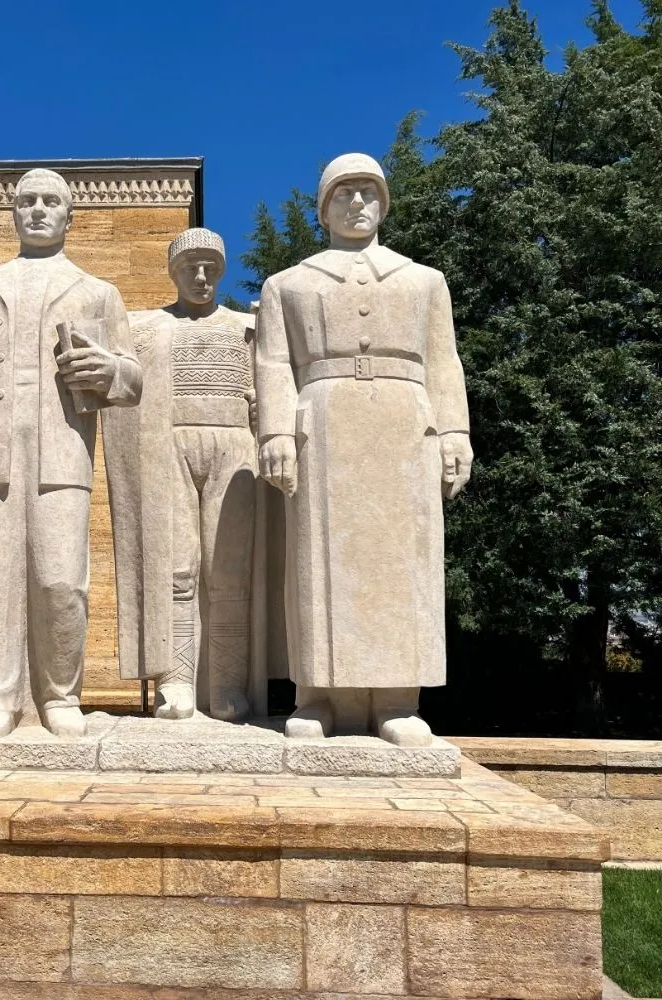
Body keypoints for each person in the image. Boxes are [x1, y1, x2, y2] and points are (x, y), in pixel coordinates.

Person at [255, 153, 472, 745]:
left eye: (368, 192)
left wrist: (456, 432)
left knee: (404, 562)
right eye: (344, 192)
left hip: (405, 423)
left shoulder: (423, 280)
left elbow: (444, 360)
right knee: (317, 559)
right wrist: (275, 433)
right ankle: (319, 696)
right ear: (324, 206)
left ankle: (398, 700)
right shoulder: (288, 284)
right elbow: (272, 363)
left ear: (383, 202)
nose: (357, 203)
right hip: (321, 424)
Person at [0, 168, 142, 740]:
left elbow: (133, 377)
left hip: (62, 447)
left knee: (60, 577)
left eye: (52, 201)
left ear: (70, 217)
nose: (39, 209)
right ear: (14, 213)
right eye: (28, 201)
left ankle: (60, 696)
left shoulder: (98, 292)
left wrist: (111, 371)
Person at [104, 228, 267, 721]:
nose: (201, 276)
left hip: (235, 447)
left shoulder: (248, 328)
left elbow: (268, 394)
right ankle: (175, 683)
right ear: (173, 271)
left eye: (210, 268)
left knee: (228, 571)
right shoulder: (146, 327)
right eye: (190, 267)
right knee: (177, 569)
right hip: (168, 446)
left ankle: (227, 686)